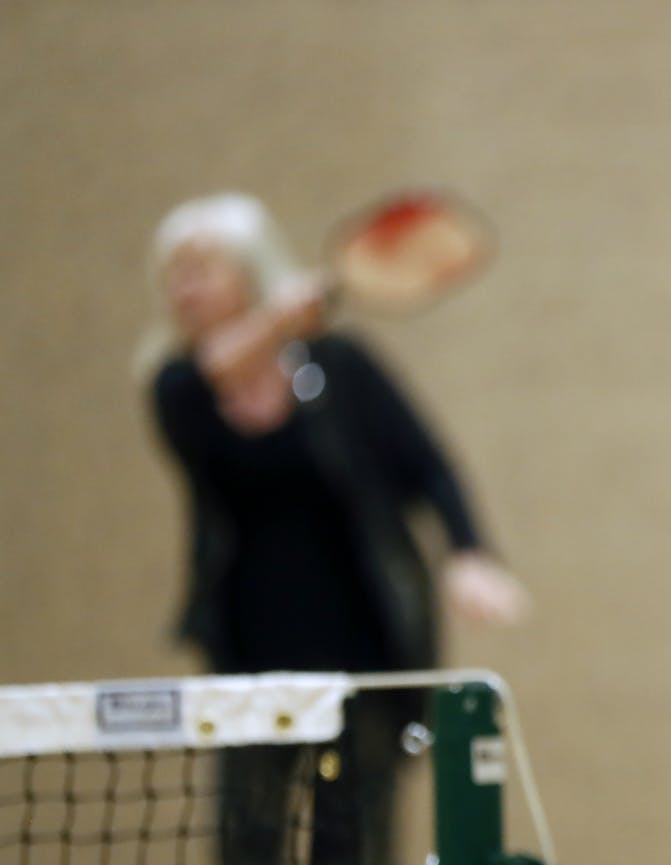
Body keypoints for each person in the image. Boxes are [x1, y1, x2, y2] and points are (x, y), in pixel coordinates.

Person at [145, 192, 528, 865]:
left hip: (364, 666)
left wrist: (468, 552)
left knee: (352, 846)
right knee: (247, 845)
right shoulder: (174, 386)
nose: (185, 288)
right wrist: (280, 319)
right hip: (247, 670)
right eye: (175, 273)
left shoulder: (342, 370)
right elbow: (212, 380)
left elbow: (430, 467)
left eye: (201, 268)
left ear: (250, 270)